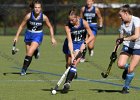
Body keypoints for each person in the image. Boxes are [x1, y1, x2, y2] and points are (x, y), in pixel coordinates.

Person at [13, 0, 57, 75]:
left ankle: (23, 69)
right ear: (33, 8)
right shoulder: (28, 16)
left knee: (30, 52)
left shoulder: (44, 17)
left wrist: (52, 38)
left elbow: (50, 27)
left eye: (38, 7)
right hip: (28, 34)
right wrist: (16, 37)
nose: (37, 9)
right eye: (35, 7)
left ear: (41, 8)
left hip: (38, 35)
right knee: (28, 53)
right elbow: (21, 26)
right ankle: (36, 51)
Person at [62, 7, 95, 93]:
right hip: (70, 44)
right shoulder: (67, 26)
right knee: (69, 63)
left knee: (74, 64)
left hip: (80, 45)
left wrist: (85, 43)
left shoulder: (83, 23)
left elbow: (91, 35)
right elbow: (69, 41)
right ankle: (72, 72)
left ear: (77, 17)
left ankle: (67, 83)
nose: (71, 22)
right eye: (69, 20)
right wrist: (72, 55)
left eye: (72, 20)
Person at [116, 4, 140, 94]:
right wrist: (114, 51)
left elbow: (137, 36)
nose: (119, 17)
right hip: (128, 46)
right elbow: (119, 40)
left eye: (120, 15)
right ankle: (127, 68)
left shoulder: (136, 20)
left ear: (126, 13)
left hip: (138, 47)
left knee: (131, 69)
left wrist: (124, 39)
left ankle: (126, 87)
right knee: (120, 64)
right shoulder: (122, 24)